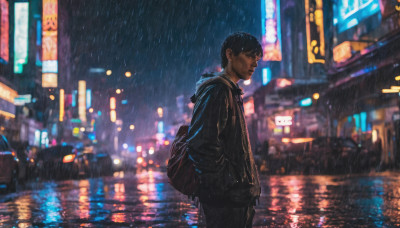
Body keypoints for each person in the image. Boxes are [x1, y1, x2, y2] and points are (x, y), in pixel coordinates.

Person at [187, 32, 262, 228]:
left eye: (257, 58)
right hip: (227, 199)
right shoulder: (218, 91)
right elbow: (202, 144)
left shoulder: (230, 90)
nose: (255, 63)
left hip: (235, 197)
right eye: (249, 56)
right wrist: (229, 184)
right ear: (230, 54)